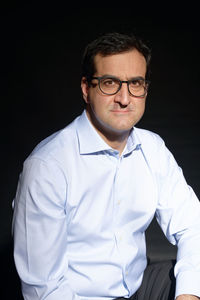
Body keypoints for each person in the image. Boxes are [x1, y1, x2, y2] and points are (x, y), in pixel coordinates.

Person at [12, 32, 200, 300]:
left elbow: (194, 226)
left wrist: (188, 296)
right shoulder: (47, 167)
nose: (124, 98)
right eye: (110, 83)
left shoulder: (152, 148)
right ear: (86, 89)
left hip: (138, 289)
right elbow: (44, 290)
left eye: (135, 83)